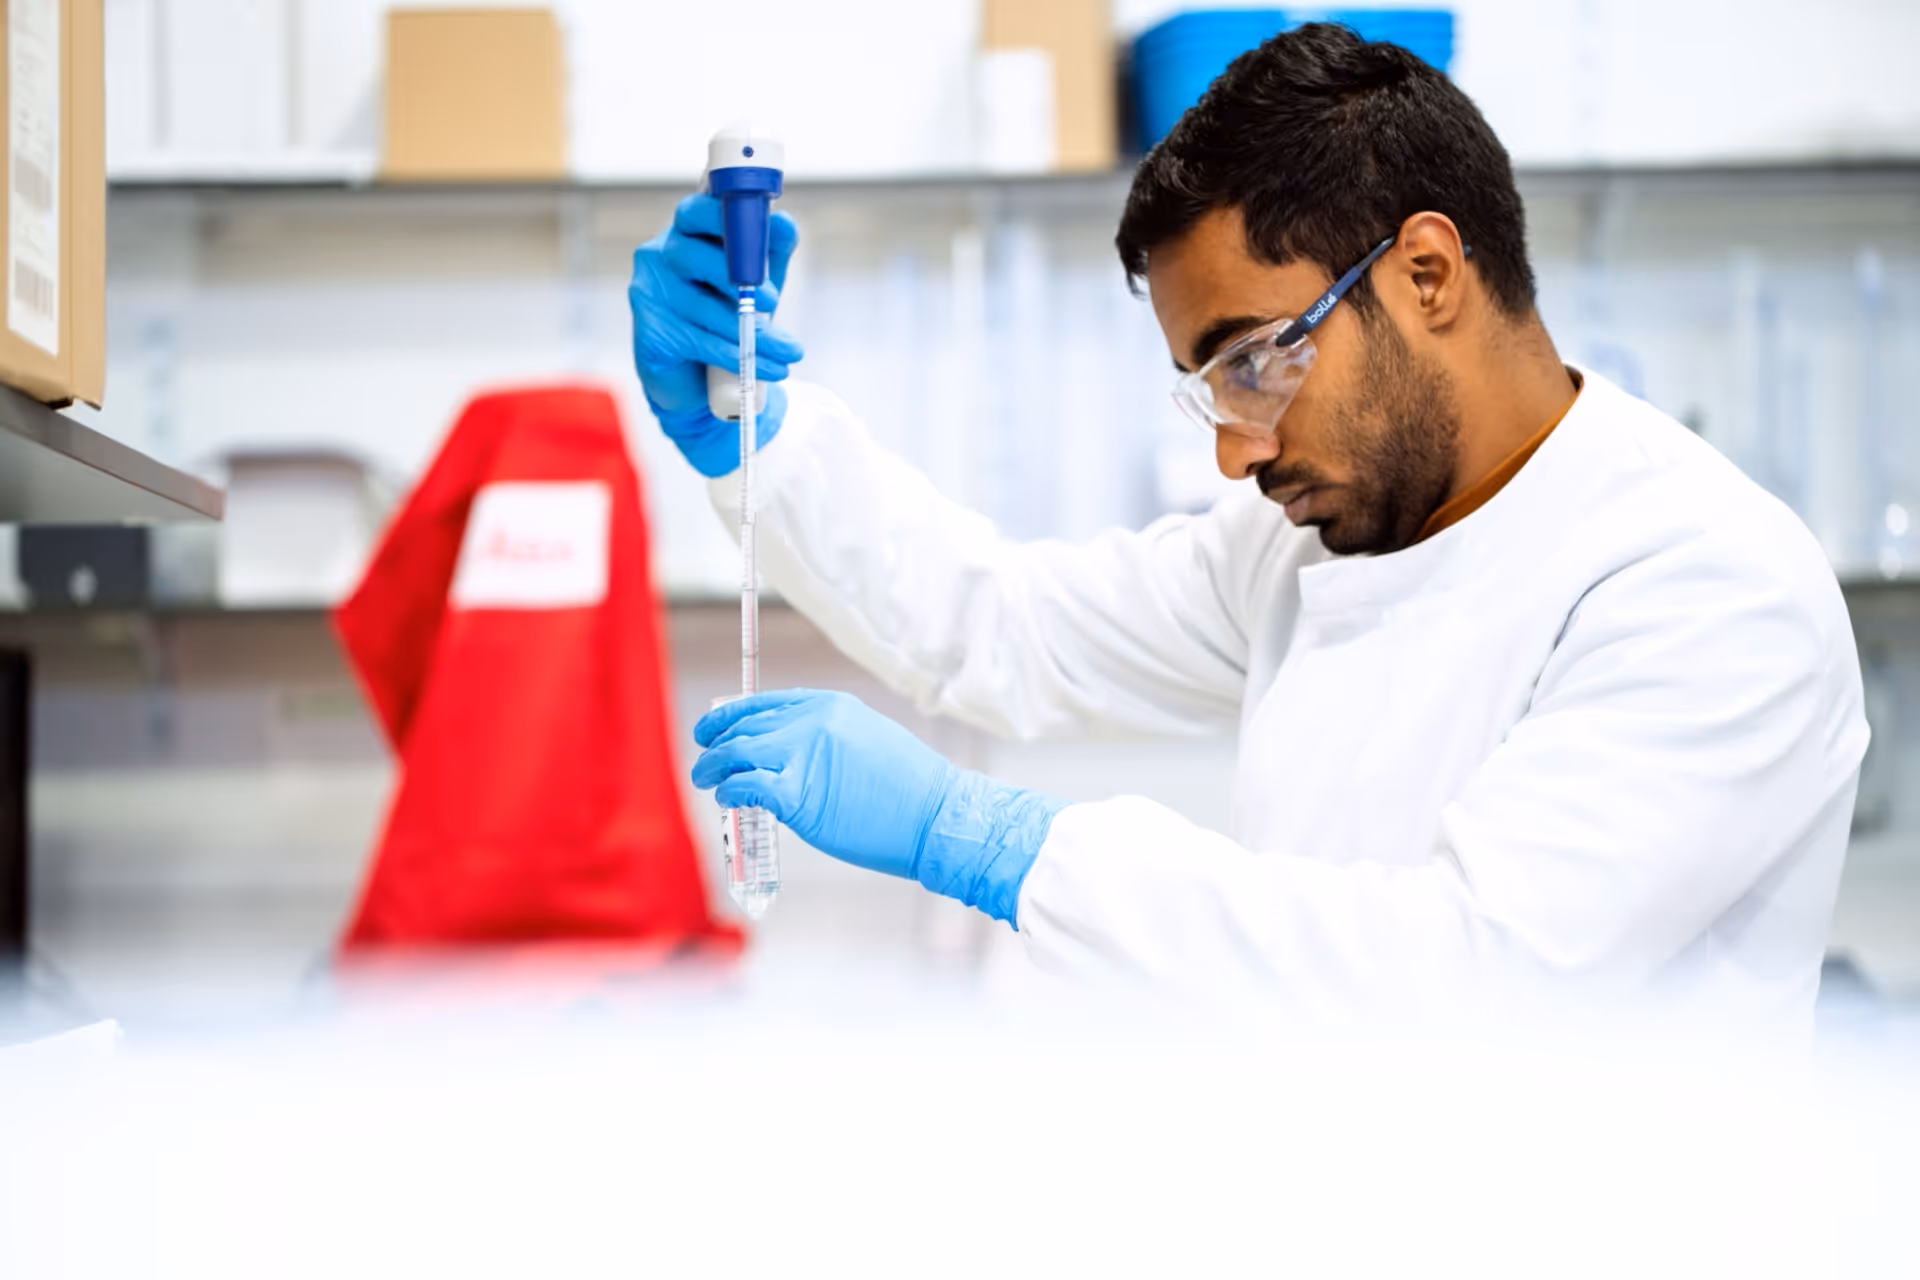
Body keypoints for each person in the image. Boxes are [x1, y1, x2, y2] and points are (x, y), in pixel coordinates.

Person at [627, 24, 1866, 1027]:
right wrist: (757, 436)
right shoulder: (1308, 545)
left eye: (1256, 362)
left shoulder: (1707, 583)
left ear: (1427, 274)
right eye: (1211, 387)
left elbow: (1469, 981)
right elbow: (1004, 625)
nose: (1234, 450)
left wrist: (993, 843)